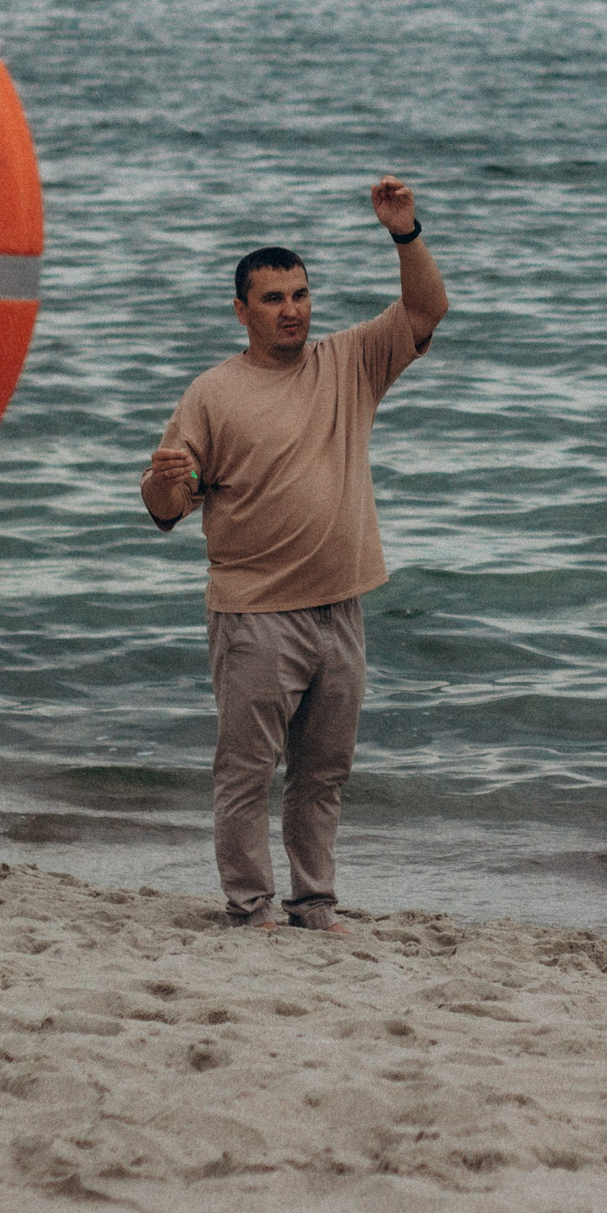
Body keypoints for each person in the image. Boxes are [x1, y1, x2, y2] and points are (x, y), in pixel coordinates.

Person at [139, 177, 448, 931]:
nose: (291, 310)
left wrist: (405, 234)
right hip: (253, 613)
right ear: (241, 309)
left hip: (341, 605)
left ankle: (314, 901)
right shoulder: (212, 392)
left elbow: (426, 309)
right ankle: (252, 904)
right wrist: (162, 481)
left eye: (301, 294)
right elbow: (167, 511)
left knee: (323, 773)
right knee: (247, 772)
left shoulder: (349, 363)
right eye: (273, 298)